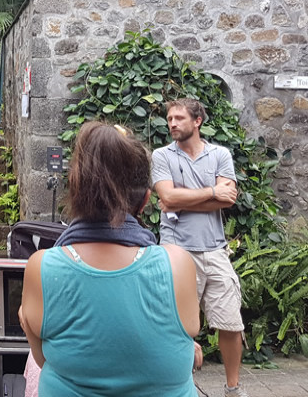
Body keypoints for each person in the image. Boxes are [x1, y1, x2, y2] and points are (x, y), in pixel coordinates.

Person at [19, 121, 200, 396]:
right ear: (145, 201)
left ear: (77, 195)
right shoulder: (177, 264)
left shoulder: (44, 267)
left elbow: (44, 359)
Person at [153, 98, 247, 397]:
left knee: (231, 322)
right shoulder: (161, 156)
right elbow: (168, 198)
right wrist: (210, 193)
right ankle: (179, 386)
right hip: (177, 250)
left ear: (197, 121)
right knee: (175, 323)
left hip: (215, 249)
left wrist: (184, 199)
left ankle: (232, 389)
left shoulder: (220, 155)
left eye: (179, 118)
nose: (172, 123)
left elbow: (227, 199)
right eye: (169, 119)